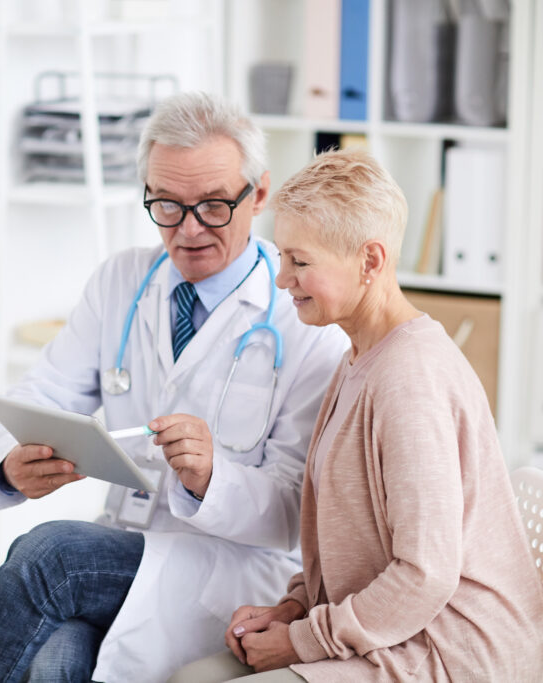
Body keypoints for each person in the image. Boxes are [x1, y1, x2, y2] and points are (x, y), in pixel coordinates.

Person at [0, 91, 348, 683]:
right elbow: (41, 393)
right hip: (124, 548)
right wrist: (9, 463)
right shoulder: (123, 280)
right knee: (58, 658)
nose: (188, 230)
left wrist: (212, 479)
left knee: (50, 557)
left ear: (257, 195)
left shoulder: (302, 318)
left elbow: (294, 512)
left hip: (232, 568)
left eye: (212, 206)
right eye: (167, 206)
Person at [170, 148, 543, 682]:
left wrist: (302, 641)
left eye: (300, 262)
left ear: (370, 262)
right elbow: (357, 545)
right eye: (282, 257)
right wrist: (294, 607)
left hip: (448, 650)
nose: (282, 280)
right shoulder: (357, 358)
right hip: (390, 629)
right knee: (192, 678)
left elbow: (425, 574)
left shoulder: (409, 379)